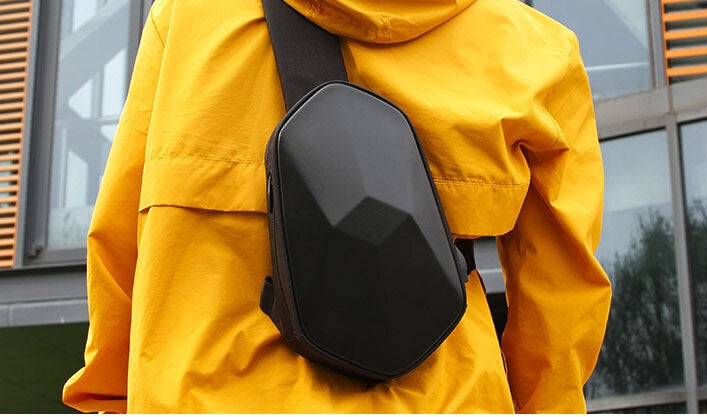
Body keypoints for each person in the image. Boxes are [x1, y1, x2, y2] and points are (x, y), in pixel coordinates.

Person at [62, 0, 611, 413]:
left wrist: (112, 397)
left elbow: (119, 241)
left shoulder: (191, 17)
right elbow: (562, 298)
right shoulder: (534, 53)